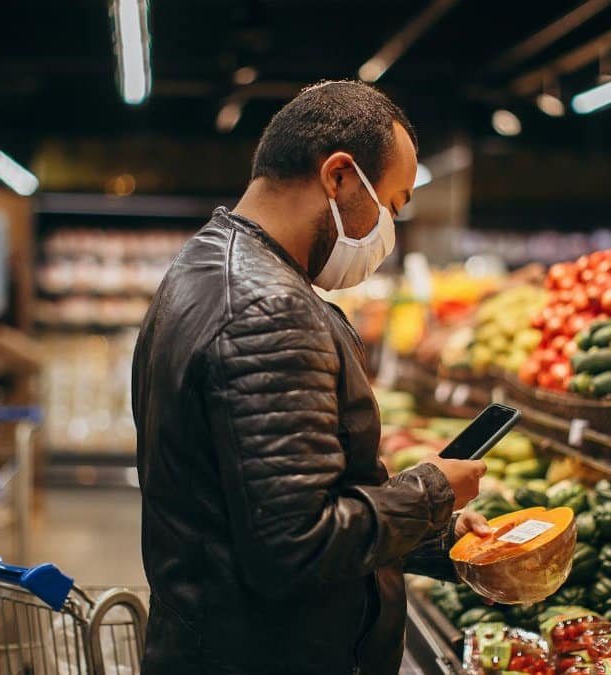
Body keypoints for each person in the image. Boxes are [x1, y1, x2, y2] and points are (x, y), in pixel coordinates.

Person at [132, 80, 490, 675]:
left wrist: (433, 533)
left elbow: (255, 506)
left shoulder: (205, 266)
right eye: (394, 205)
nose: (388, 232)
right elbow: (296, 545)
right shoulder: (266, 307)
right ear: (340, 177)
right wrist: (430, 492)